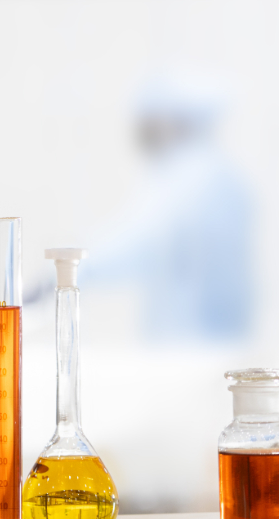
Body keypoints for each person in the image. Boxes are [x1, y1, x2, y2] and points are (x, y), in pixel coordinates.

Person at [86, 72, 254, 343]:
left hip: (196, 342)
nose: (143, 130)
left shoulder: (195, 177)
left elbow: (140, 242)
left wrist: (70, 269)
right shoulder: (213, 172)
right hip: (207, 339)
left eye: (151, 120)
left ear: (177, 121)